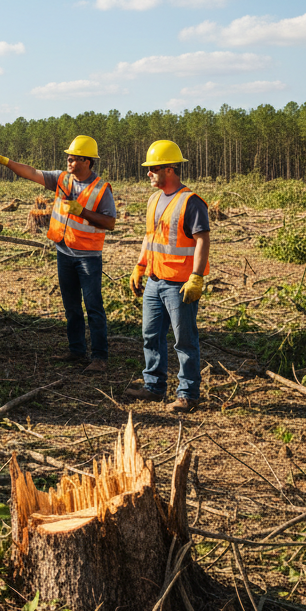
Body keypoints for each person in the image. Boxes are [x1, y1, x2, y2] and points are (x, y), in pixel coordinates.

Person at [0, 136, 116, 372]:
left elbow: (110, 222)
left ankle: (99, 357)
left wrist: (82, 211)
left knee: (93, 307)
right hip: (64, 252)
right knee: (72, 306)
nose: (68, 160)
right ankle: (77, 350)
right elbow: (31, 172)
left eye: (74, 158)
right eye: (68, 157)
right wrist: (7, 162)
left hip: (87, 257)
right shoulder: (62, 179)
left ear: (87, 162)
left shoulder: (101, 189)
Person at [125, 140, 211, 414]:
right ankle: (153, 387)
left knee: (184, 340)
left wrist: (196, 277)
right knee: (151, 335)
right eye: (148, 168)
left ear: (170, 170)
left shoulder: (191, 202)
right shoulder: (153, 199)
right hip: (154, 280)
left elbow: (202, 240)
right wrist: (140, 266)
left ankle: (188, 394)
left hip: (179, 284)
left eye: (153, 168)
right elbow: (150, 238)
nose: (148, 173)